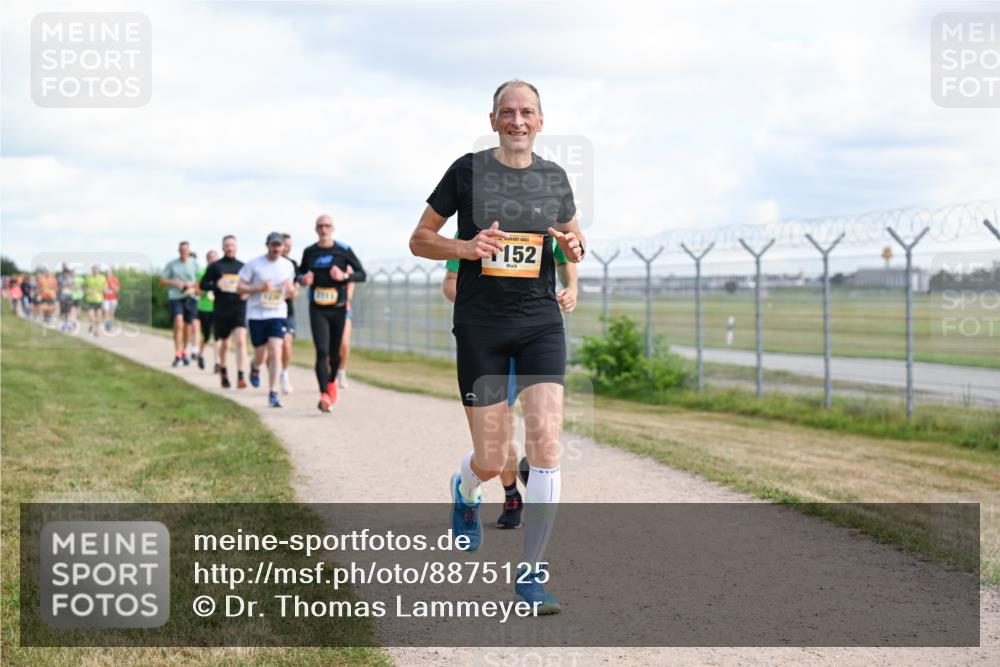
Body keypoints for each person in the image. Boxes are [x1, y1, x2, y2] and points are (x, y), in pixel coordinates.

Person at [409, 79, 585, 614]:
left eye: (526, 112)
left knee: (547, 446)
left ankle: (531, 575)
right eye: (507, 112)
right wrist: (465, 246)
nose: (517, 120)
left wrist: (574, 253)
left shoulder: (554, 177)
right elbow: (418, 239)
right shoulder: (467, 170)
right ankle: (465, 491)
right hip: (482, 325)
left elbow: (573, 239)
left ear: (540, 120)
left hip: (539, 323)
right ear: (493, 121)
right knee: (491, 456)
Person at [441, 234, 579, 529]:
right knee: (500, 428)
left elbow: (566, 258)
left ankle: (532, 467)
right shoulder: (473, 225)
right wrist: (483, 302)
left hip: (533, 334)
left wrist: (572, 288)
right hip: (490, 336)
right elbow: (450, 282)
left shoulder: (541, 221)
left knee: (545, 425)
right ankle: (511, 493)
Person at [299, 214, 366, 412]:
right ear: (315, 229)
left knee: (335, 354)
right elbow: (299, 274)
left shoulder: (343, 250)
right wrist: (304, 279)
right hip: (317, 308)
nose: (323, 229)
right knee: (322, 351)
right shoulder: (309, 252)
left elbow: (362, 274)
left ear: (332, 228)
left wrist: (345, 275)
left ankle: (331, 382)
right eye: (320, 226)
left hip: (337, 308)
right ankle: (324, 395)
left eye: (327, 226)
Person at [238, 232, 297, 407]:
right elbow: (239, 288)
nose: (276, 248)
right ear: (267, 246)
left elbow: (292, 292)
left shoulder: (287, 266)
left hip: (277, 314)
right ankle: (254, 367)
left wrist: (290, 289)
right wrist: (258, 287)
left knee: (276, 351)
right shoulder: (254, 264)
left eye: (279, 245)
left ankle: (273, 393)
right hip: (256, 315)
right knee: (261, 356)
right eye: (273, 245)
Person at [201, 235, 249, 389]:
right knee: (225, 344)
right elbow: (203, 285)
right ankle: (223, 371)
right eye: (227, 245)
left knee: (241, 340)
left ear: (236, 247)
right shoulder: (216, 266)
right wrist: (216, 285)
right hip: (222, 309)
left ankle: (241, 376)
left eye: (232, 245)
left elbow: (250, 286)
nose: (230, 248)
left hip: (239, 307)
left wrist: (246, 293)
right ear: (223, 247)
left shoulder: (243, 267)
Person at [160, 241, 199, 367]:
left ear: (188, 251)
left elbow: (201, 279)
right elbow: (162, 280)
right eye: (181, 250)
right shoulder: (172, 264)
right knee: (178, 321)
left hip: (190, 297)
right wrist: (175, 282)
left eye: (186, 250)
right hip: (175, 297)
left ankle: (184, 352)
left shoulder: (195, 263)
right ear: (179, 251)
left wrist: (190, 285)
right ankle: (177, 354)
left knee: (188, 327)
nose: (183, 252)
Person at [280, 234, 298, 395]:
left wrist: (288, 293)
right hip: (268, 312)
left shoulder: (293, 264)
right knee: (268, 352)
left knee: (286, 344)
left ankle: (284, 374)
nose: (288, 248)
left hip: (287, 311)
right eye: (286, 245)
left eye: (290, 245)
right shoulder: (267, 264)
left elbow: (295, 290)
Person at [195, 250, 219, 371]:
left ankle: (217, 362)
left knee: (217, 336)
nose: (213, 259)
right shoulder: (202, 273)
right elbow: (197, 291)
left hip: (218, 307)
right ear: (207, 259)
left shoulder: (221, 274)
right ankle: (200, 354)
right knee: (206, 336)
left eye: (215, 257)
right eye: (210, 257)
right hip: (205, 307)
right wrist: (207, 285)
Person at [336, 280, 356, 389]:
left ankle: (341, 371)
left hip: (343, 310)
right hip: (324, 310)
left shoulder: (347, 267)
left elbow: (350, 292)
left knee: (344, 344)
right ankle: (330, 374)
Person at [82, 265, 107, 336]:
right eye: (93, 270)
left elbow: (105, 286)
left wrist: (104, 289)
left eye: (96, 270)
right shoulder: (88, 278)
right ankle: (92, 325)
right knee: (91, 315)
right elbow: (84, 287)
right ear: (91, 270)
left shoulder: (102, 278)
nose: (95, 271)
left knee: (98, 316)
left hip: (99, 300)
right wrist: (88, 291)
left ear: (98, 270)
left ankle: (97, 330)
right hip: (90, 300)